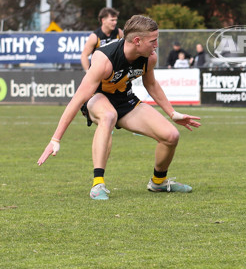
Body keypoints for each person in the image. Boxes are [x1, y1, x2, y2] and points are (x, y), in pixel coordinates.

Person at [38, 15, 201, 200]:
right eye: (153, 41)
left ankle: (158, 182)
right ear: (137, 41)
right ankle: (98, 184)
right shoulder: (104, 59)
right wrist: (55, 139)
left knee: (171, 136)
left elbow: (152, 84)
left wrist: (172, 113)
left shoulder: (150, 58)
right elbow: (77, 99)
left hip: (125, 100)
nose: (156, 45)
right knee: (108, 116)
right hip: (96, 98)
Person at [80, 7, 124, 71]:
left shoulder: (119, 32)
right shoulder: (95, 36)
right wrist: (88, 72)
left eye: (116, 20)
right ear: (103, 20)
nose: (115, 22)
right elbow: (84, 55)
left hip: (115, 70)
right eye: (112, 20)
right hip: (100, 71)